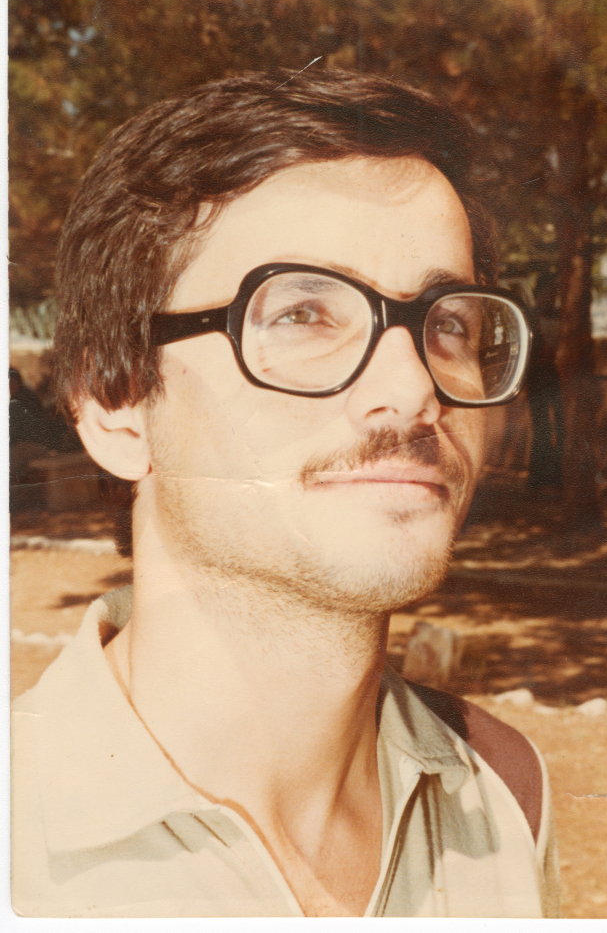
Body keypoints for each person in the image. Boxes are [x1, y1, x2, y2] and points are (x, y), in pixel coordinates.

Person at [12, 69, 559, 918]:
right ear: (117, 406)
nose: (414, 390)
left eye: (448, 322)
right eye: (303, 314)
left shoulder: (502, 796)